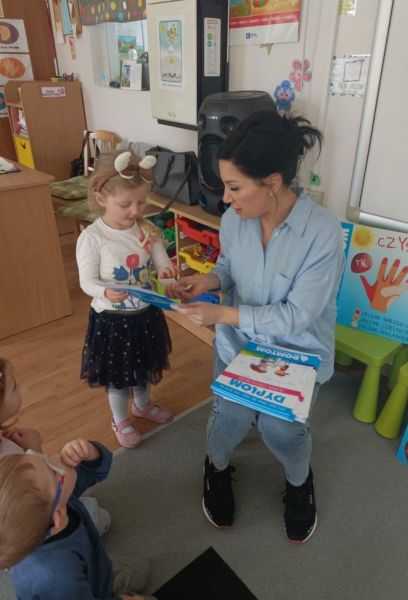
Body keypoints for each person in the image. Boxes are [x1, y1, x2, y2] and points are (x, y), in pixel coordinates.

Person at [167, 110, 345, 543]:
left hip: (297, 350)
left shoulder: (322, 233)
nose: (227, 199)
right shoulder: (235, 220)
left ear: (272, 182)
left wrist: (221, 315)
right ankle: (216, 468)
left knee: (280, 427)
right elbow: (229, 267)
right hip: (238, 344)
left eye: (234, 187)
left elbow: (296, 315)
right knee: (228, 416)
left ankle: (300, 482)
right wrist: (207, 281)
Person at [76, 151, 178, 449]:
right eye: (125, 204)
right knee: (118, 377)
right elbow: (87, 282)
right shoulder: (92, 237)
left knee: (144, 368)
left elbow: (161, 262)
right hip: (112, 321)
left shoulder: (146, 229)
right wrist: (105, 292)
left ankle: (142, 406)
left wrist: (168, 276)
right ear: (101, 199)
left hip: (145, 315)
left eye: (141, 202)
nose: (135, 211)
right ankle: (120, 419)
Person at [0, 438, 152, 600]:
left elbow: (95, 472)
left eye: (40, 456)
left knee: (139, 568)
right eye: (52, 469)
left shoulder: (54, 503)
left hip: (89, 565)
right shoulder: (59, 578)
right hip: (81, 584)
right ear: (57, 517)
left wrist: (91, 452)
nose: (55, 457)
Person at [0, 356, 111, 536]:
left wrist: (34, 449)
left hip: (49, 498)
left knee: (76, 481)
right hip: (43, 519)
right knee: (101, 518)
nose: (18, 386)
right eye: (13, 388)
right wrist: (36, 451)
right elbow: (33, 509)